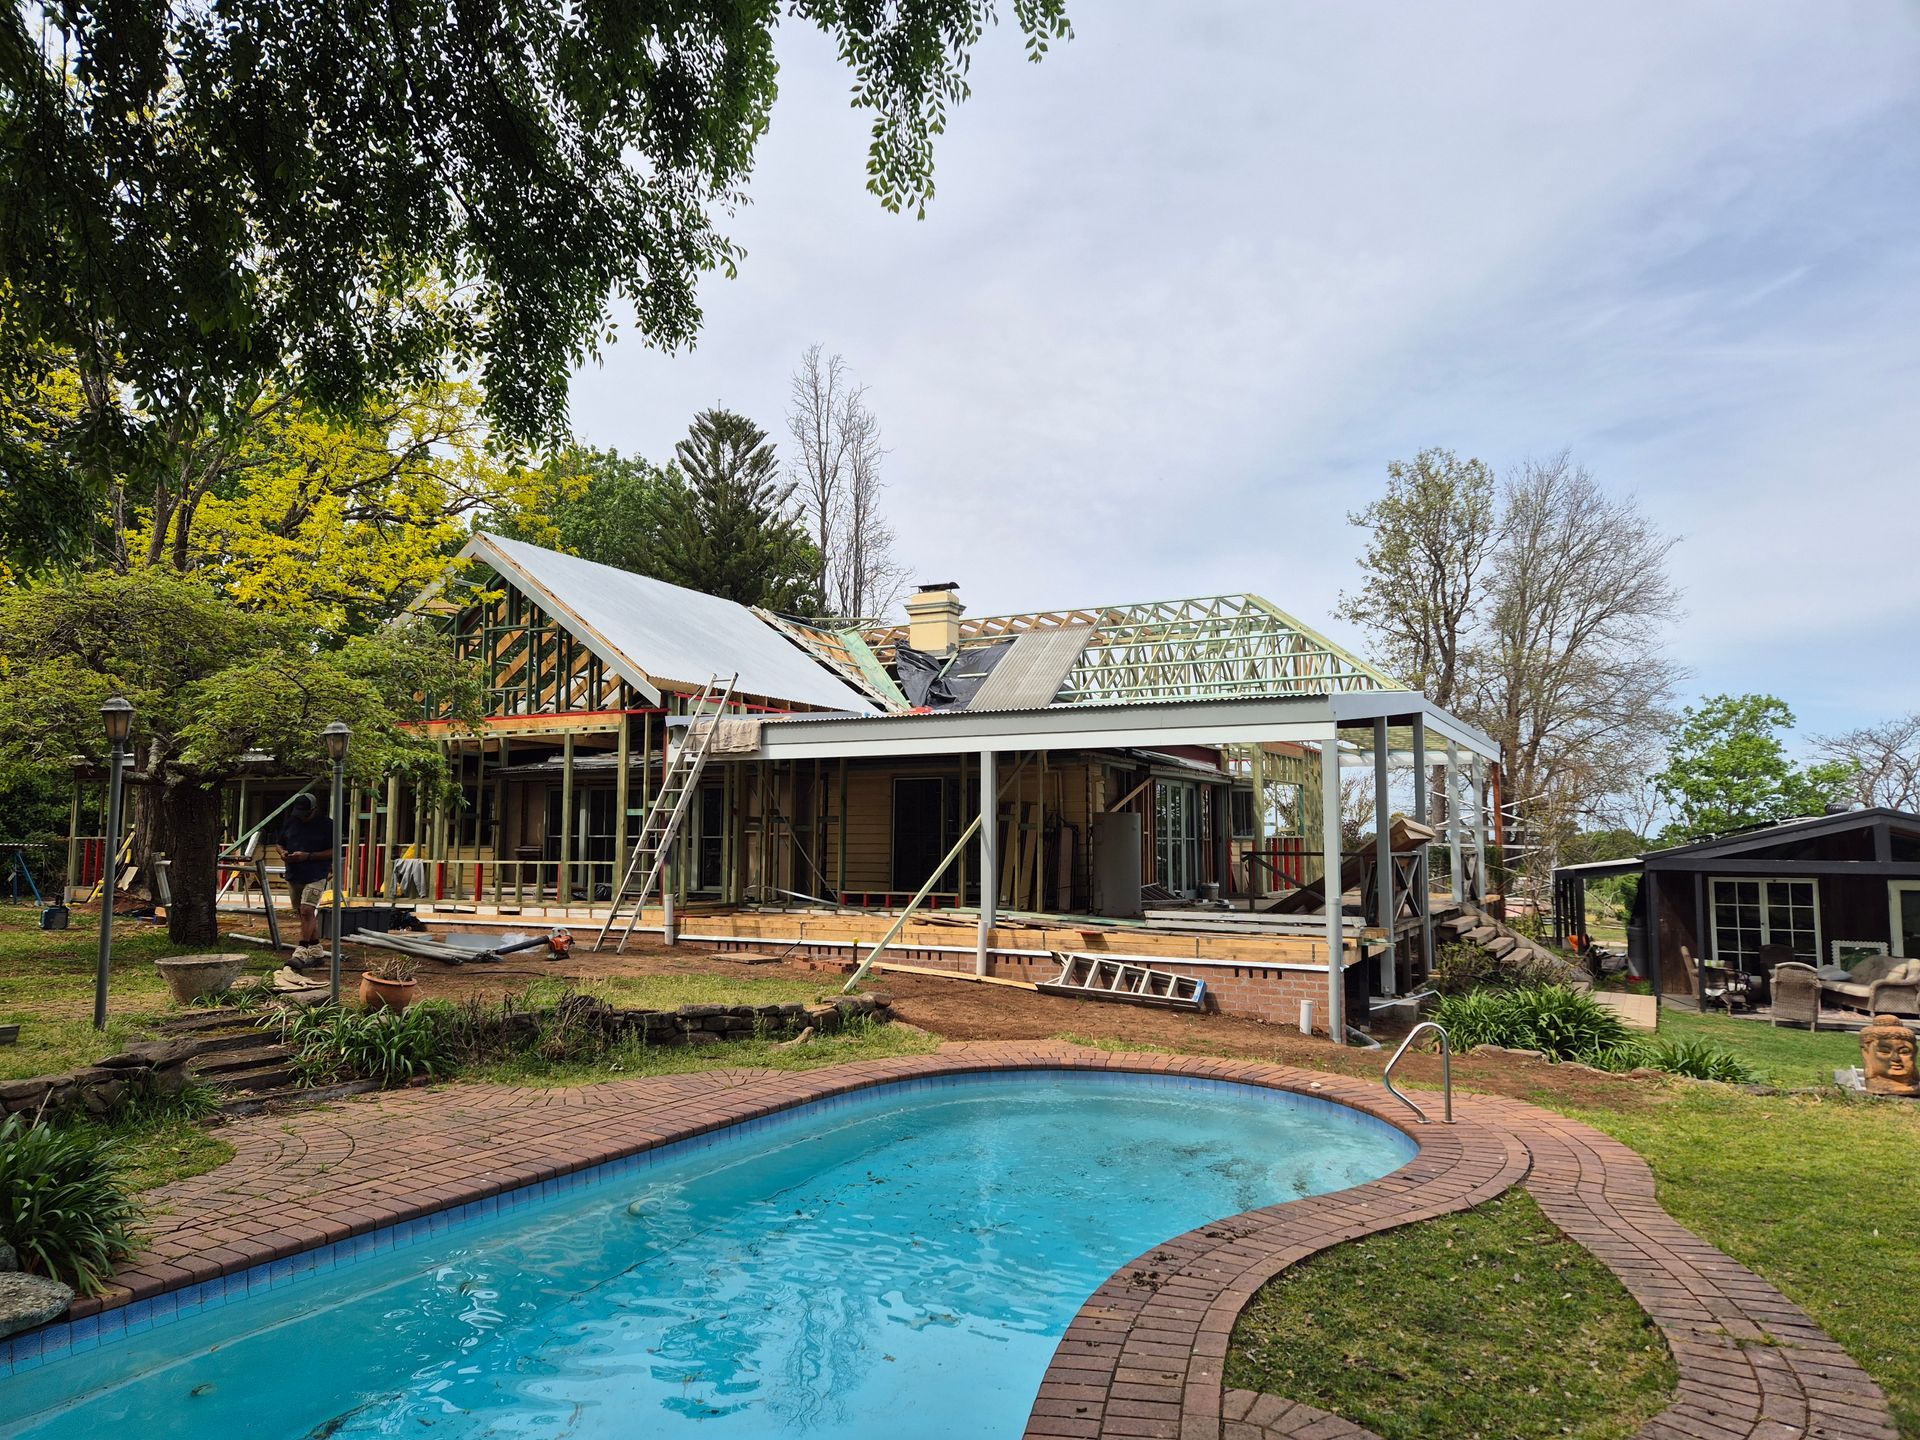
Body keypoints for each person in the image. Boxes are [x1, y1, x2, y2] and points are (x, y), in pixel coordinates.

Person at [277, 794, 336, 956]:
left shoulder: (328, 825)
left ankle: (301, 949)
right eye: (299, 814)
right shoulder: (291, 822)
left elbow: (335, 850)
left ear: (314, 810)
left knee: (307, 910)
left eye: (306, 814)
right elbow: (279, 843)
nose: (302, 817)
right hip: (294, 873)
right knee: (302, 912)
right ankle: (316, 948)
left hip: (316, 873)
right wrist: (283, 853)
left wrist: (308, 856)